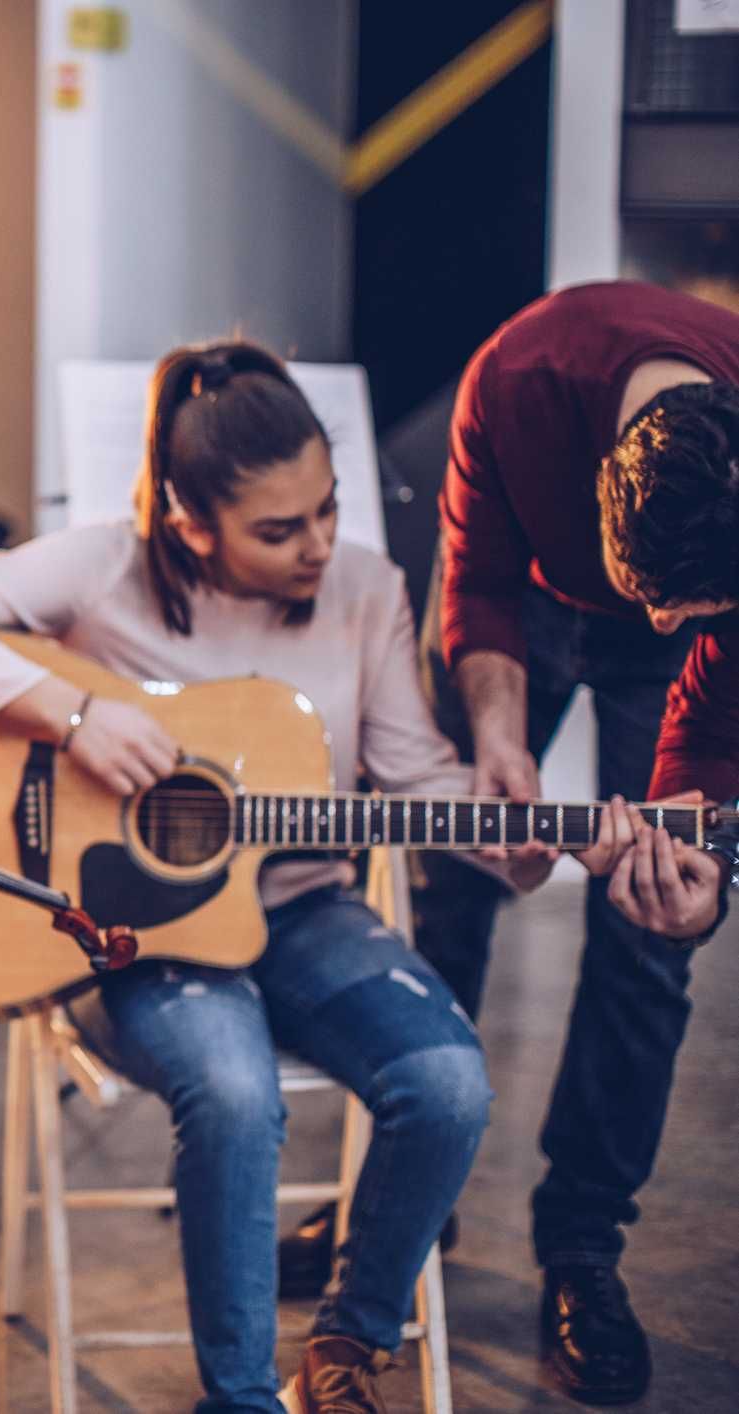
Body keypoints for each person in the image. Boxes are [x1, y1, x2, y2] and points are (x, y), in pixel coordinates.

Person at [0, 342, 552, 1414]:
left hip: (305, 911)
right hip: (120, 931)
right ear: (190, 523)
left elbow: (415, 777)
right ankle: (239, 1399)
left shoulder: (366, 588)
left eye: (327, 508)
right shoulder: (103, 568)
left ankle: (349, 1342)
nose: (318, 544)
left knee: (449, 1085)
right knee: (234, 1094)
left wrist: (529, 840)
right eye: (279, 529)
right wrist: (73, 715)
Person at [407, 279, 739, 1405]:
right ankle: (408, 1196)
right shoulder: (517, 381)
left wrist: (701, 868)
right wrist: (498, 741)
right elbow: (478, 580)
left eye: (678, 603)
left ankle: (583, 1248)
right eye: (653, 598)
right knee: (451, 874)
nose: (657, 621)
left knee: (650, 927)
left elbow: (715, 717)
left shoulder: (698, 606)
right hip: (534, 600)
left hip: (710, 633)